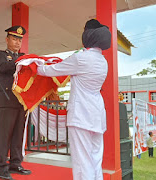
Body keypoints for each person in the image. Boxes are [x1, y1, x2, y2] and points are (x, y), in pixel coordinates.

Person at [37, 19, 111, 180]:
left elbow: (53, 70)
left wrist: (35, 66)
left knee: (82, 161)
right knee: (95, 159)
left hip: (81, 115)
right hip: (97, 115)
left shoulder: (81, 58)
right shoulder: (103, 61)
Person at [0, 25, 31, 179]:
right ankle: (2, 166)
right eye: (14, 39)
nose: (17, 42)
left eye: (19, 40)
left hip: (21, 101)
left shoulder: (23, 57)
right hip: (6, 99)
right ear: (7, 39)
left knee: (18, 135)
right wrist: (22, 61)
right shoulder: (0, 54)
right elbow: (3, 68)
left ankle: (16, 163)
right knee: (4, 135)